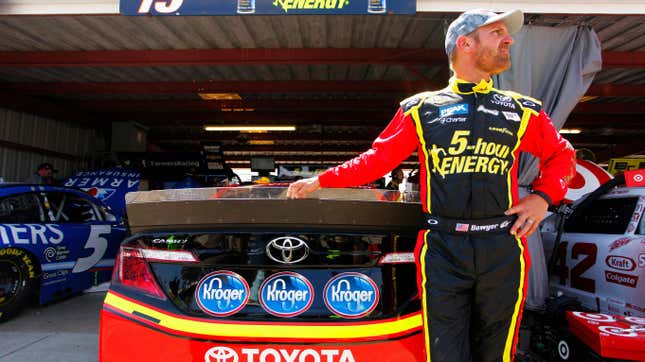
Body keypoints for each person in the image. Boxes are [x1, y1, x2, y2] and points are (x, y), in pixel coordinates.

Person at [288, 9, 576, 362]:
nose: (509, 39)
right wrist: (321, 179)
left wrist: (544, 198)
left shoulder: (522, 110)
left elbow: (563, 155)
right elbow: (376, 160)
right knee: (443, 352)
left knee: (496, 351)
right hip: (442, 248)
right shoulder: (421, 109)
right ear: (465, 43)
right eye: (497, 32)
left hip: (502, 247)